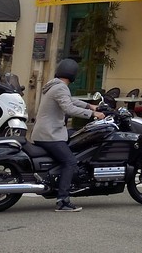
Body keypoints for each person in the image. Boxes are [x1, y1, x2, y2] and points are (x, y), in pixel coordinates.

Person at [33, 58, 107, 212]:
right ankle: (63, 201)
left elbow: (70, 100)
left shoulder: (54, 85)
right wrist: (93, 114)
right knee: (70, 162)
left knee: (74, 135)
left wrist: (89, 105)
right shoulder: (60, 88)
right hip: (49, 135)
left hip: (45, 132)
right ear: (73, 74)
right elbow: (69, 109)